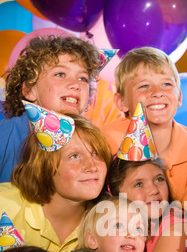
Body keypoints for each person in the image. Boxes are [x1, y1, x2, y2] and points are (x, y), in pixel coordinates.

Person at [0, 105, 111, 252]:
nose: (92, 166)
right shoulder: (5, 204)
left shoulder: (106, 221)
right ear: (44, 166)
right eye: (74, 156)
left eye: (96, 154)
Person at [101, 46, 187, 216]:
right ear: (121, 102)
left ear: (179, 97)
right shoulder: (104, 141)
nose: (157, 93)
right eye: (144, 86)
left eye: (166, 84)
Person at [0, 34, 116, 182]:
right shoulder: (4, 138)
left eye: (83, 78)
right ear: (29, 90)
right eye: (60, 74)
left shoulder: (88, 144)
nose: (75, 84)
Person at [105, 101, 187, 252]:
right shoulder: (115, 229)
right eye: (138, 184)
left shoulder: (176, 219)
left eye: (159, 179)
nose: (153, 190)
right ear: (115, 194)